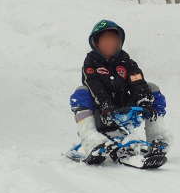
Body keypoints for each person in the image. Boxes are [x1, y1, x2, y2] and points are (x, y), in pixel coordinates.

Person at [69, 19, 170, 164]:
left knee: (152, 88)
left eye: (114, 40)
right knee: (81, 92)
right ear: (96, 43)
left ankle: (157, 140)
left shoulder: (126, 62)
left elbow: (137, 81)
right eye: (106, 40)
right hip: (101, 113)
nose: (110, 44)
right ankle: (92, 141)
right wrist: (105, 105)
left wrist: (144, 101)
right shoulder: (91, 63)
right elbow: (93, 85)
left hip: (125, 111)